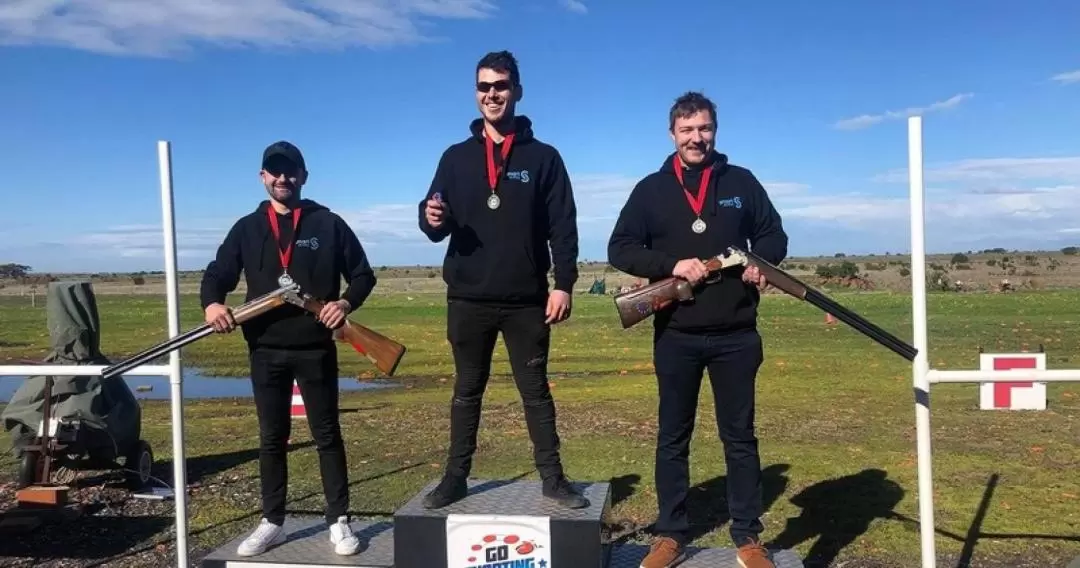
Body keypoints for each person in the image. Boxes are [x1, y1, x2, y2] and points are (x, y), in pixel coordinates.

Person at [606, 91, 788, 568]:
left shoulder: (741, 181)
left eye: (704, 128)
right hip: (676, 334)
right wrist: (671, 264)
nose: (696, 138)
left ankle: (747, 538)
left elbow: (774, 235)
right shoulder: (650, 189)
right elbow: (620, 248)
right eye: (687, 130)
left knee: (740, 438)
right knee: (673, 436)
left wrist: (759, 262)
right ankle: (670, 534)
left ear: (715, 131)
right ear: (672, 134)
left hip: (736, 335)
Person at [416, 50, 587, 510]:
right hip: (468, 298)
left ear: (517, 91)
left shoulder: (544, 158)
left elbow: (563, 228)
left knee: (535, 392)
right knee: (466, 392)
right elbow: (434, 217)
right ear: (476, 94)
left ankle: (552, 478)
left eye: (501, 85)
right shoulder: (454, 158)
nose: (492, 94)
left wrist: (564, 283)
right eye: (484, 87)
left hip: (526, 300)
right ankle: (455, 479)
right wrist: (430, 218)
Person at [200, 141, 377, 557]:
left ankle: (339, 520)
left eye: (290, 171)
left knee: (327, 434)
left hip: (315, 348)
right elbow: (218, 274)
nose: (283, 179)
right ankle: (272, 521)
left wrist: (343, 304)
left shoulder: (328, 223)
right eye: (274, 172)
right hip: (264, 349)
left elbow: (363, 275)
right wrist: (211, 303)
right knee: (271, 437)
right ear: (263, 177)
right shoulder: (246, 227)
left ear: (303, 176)